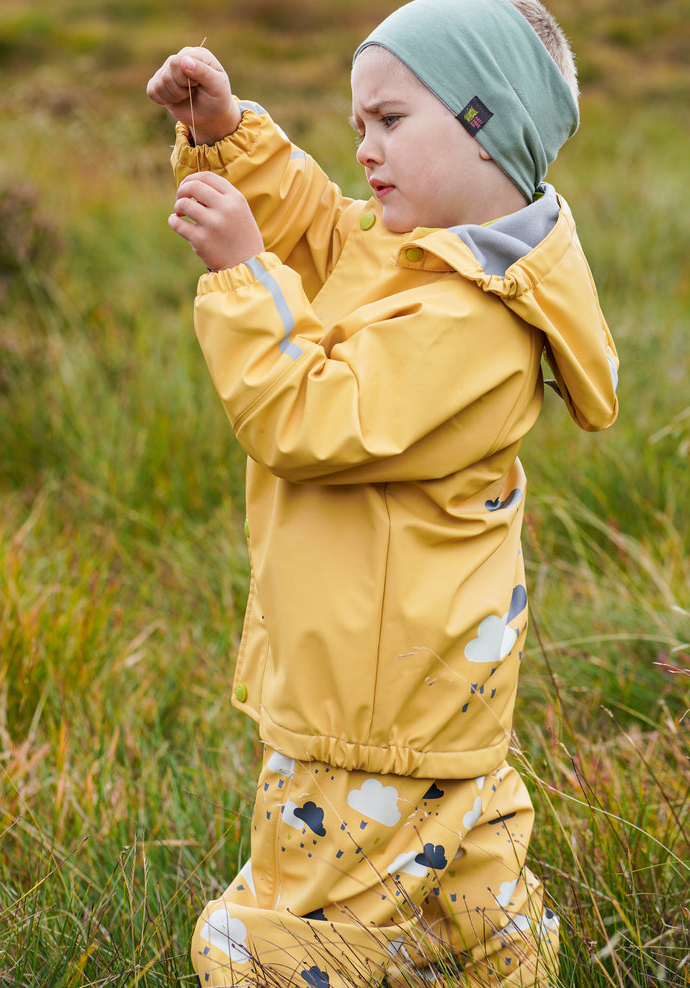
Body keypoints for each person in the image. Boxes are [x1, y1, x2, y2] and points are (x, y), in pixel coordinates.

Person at [147, 0, 619, 984]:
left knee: (293, 927)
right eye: (359, 123)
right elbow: (324, 239)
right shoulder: (423, 250)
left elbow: (311, 421)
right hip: (406, 698)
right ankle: (491, 955)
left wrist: (241, 276)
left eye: (393, 121)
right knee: (458, 882)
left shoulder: (474, 324)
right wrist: (228, 140)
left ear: (488, 127)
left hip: (373, 712)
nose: (364, 147)